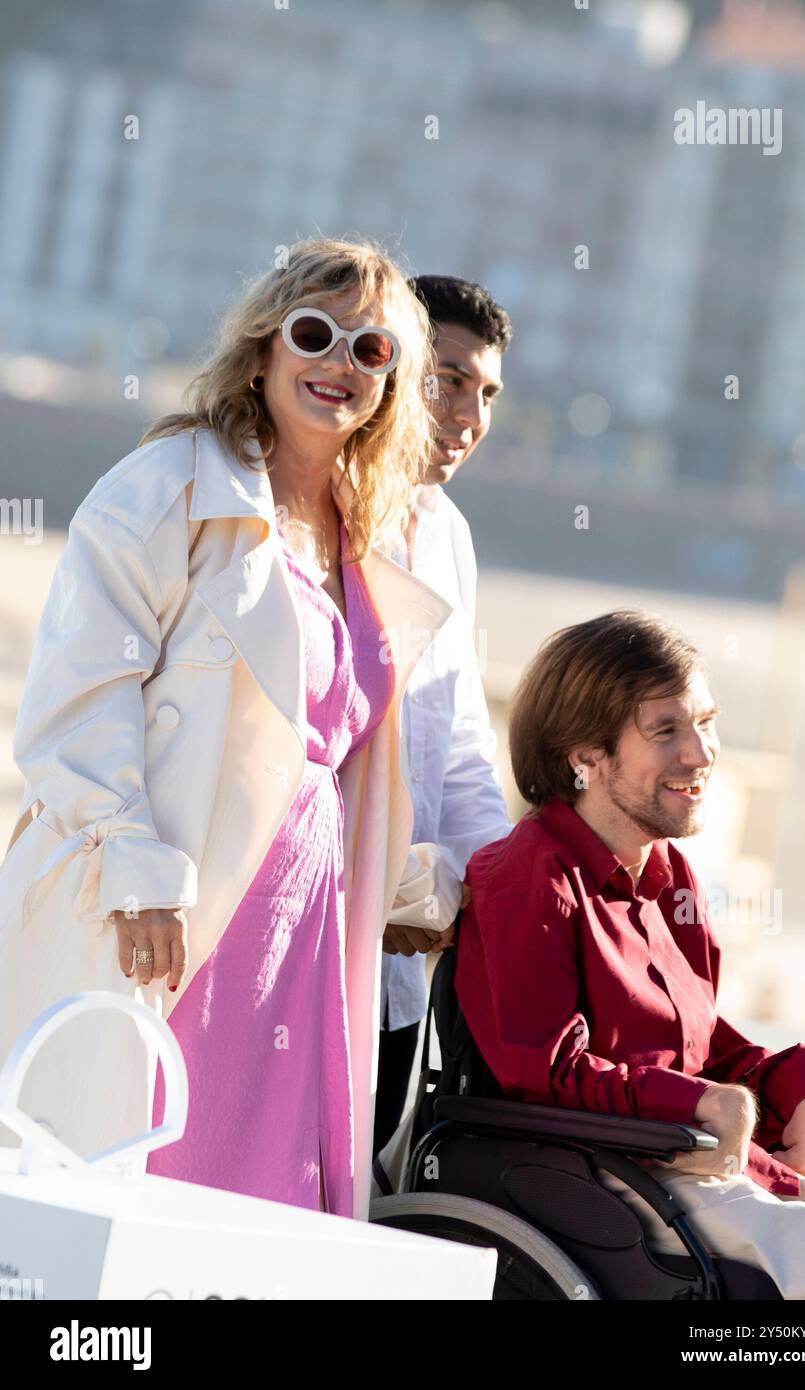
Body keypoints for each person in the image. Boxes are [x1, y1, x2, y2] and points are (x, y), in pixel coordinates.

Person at [0, 236, 461, 1221]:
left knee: (262, 1210)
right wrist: (138, 874)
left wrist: (422, 885)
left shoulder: (366, 536)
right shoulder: (172, 482)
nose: (339, 361)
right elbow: (77, 695)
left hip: (300, 930)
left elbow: (334, 762)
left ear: (390, 382)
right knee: (138, 1181)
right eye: (314, 333)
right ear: (262, 351)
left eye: (370, 349)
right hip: (165, 907)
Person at [455, 610, 805, 1300]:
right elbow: (545, 1071)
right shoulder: (531, 876)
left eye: (705, 722)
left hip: (688, 1166)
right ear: (585, 756)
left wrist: (799, 1086)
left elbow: (692, 1044)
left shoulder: (668, 873)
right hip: (604, 1172)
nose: (702, 754)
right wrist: (700, 1102)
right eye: (667, 730)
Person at [374, 276, 513, 1156]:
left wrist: (486, 894)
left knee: (349, 1201)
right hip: (307, 927)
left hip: (402, 959)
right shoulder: (317, 510)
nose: (469, 412)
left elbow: (460, 745)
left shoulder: (450, 534)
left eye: (488, 392)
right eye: (451, 379)